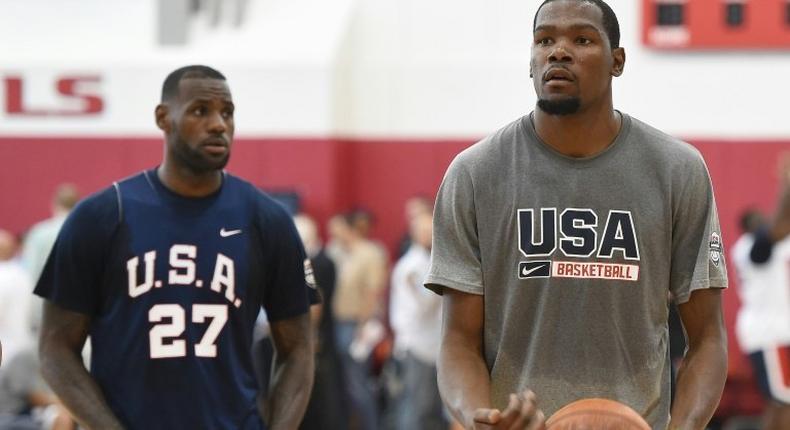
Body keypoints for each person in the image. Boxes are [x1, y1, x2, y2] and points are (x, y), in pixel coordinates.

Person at [425, 1, 728, 429]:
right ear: (530, 61)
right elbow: (457, 343)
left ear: (616, 61)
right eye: (544, 40)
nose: (558, 52)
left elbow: (708, 339)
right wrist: (485, 420)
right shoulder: (475, 174)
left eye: (581, 39)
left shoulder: (677, 170)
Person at [34, 65, 318, 430]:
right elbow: (54, 349)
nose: (218, 124)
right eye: (201, 110)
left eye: (227, 112)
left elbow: (298, 350)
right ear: (163, 118)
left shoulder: (267, 220)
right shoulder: (101, 216)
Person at [732, 185, 790, 428]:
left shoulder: (775, 246)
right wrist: (786, 188)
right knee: (783, 401)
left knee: (781, 401)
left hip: (777, 331)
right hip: (767, 333)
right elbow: (775, 229)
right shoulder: (750, 248)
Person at [389, 212, 446, 430]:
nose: (431, 236)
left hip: (434, 344)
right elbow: (421, 309)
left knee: (431, 407)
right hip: (416, 345)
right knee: (417, 406)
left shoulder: (431, 260)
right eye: (426, 232)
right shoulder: (410, 267)